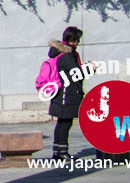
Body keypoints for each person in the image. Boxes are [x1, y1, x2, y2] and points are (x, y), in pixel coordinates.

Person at [47, 25, 85, 160]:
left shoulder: (61, 53)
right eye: (77, 40)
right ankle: (61, 152)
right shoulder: (65, 55)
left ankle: (58, 151)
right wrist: (90, 69)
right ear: (72, 40)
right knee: (65, 123)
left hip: (62, 93)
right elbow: (77, 73)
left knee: (63, 123)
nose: (78, 43)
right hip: (66, 94)